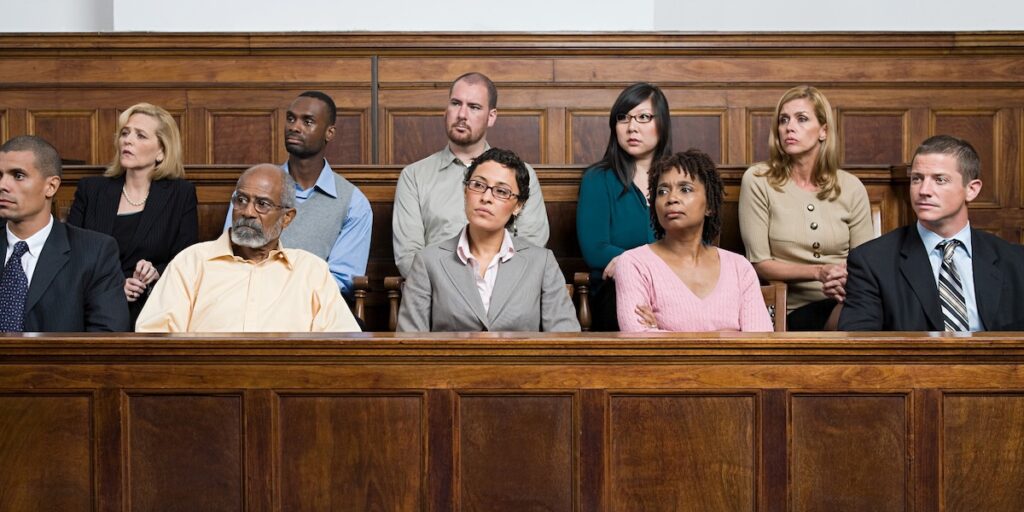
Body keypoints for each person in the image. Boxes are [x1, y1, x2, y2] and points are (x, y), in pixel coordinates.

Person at [137, 164, 360, 332]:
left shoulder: (311, 272)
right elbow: (156, 341)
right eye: (241, 200)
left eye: (262, 204)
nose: (248, 212)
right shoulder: (191, 263)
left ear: (287, 217)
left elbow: (341, 347)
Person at [839, 135, 1024, 331]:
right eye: (917, 179)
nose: (924, 190)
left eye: (940, 180)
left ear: (972, 190)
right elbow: (859, 348)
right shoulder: (872, 262)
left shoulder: (1016, 261)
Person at [396, 148, 579, 332]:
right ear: (465, 191)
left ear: (518, 205)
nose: (486, 198)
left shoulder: (542, 262)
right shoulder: (428, 262)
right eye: (478, 185)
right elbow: (409, 347)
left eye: (501, 191)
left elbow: (565, 344)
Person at [738, 85, 872, 330]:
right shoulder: (758, 180)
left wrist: (843, 281)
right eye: (784, 120)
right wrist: (819, 272)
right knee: (859, 318)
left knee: (879, 309)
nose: (789, 127)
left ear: (823, 130)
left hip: (847, 298)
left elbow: (866, 264)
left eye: (801, 119)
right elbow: (759, 263)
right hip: (789, 308)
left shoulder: (851, 187)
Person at [393, 72, 549, 277]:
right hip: (438, 297)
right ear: (446, 109)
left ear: (491, 116)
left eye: (474, 107)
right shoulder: (414, 176)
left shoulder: (522, 173)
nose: (462, 115)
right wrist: (458, 288)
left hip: (505, 294)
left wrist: (488, 285)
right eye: (456, 103)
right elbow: (408, 257)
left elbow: (531, 246)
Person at [222, 91, 372, 298]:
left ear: (330, 133)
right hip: (246, 298)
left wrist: (285, 297)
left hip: (310, 310)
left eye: (307, 121)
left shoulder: (354, 203)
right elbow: (229, 254)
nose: (294, 127)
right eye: (291, 119)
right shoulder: (253, 188)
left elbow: (341, 280)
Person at [67, 103, 197, 325]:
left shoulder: (180, 194)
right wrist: (115, 285)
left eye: (140, 136)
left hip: (149, 306)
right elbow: (71, 254)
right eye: (125, 133)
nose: (128, 140)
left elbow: (186, 258)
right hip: (91, 303)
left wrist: (155, 272)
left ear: (161, 151)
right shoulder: (92, 190)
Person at [615, 150, 772, 332]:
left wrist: (661, 332)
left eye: (685, 189)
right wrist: (726, 335)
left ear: (710, 206)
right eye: (662, 191)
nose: (671, 199)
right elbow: (641, 342)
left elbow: (759, 343)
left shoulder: (739, 268)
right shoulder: (634, 263)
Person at [0, 135, 129, 332]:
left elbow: (107, 340)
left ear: (51, 186)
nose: (3, 185)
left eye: (18, 175)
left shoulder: (95, 252)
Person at [577, 82, 672, 331]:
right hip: (616, 294)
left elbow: (697, 246)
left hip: (674, 289)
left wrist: (629, 260)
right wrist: (642, 268)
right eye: (623, 118)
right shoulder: (598, 179)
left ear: (661, 123)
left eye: (643, 117)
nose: (632, 127)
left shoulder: (680, 178)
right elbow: (595, 249)